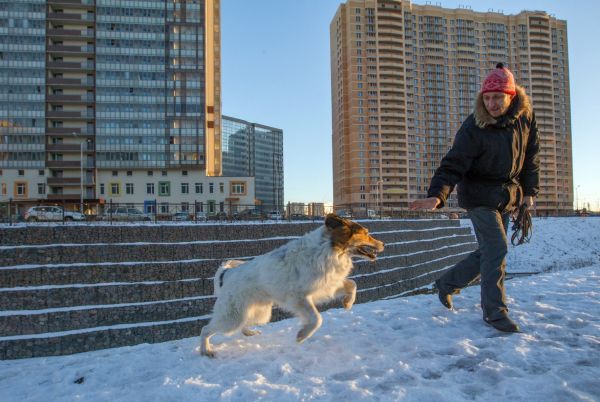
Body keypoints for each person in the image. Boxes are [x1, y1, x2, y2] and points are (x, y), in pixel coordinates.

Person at [409, 63, 540, 333]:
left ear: (511, 96)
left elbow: (530, 157)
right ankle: (495, 313)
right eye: (487, 98)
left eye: (497, 97)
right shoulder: (474, 127)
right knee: (497, 249)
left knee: (489, 251)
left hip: (506, 194)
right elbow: (453, 164)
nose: (491, 103)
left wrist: (528, 193)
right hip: (479, 195)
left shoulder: (525, 117)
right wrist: (437, 195)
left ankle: (447, 283)